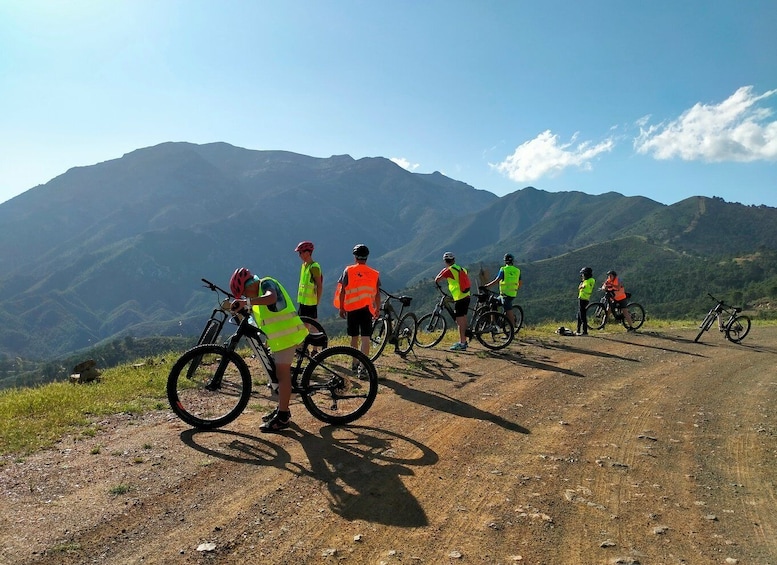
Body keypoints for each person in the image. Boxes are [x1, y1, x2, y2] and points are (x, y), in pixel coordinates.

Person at [229, 267, 308, 432]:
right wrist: (242, 307)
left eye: (244, 292)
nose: (246, 296)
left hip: (289, 336)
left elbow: (271, 298)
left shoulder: (266, 283)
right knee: (276, 374)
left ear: (250, 285)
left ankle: (284, 416)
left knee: (282, 374)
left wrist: (247, 302)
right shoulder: (256, 297)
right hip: (280, 340)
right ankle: (282, 407)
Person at [336, 244, 381, 358]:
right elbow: (377, 294)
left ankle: (354, 363)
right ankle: (363, 366)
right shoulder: (374, 273)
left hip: (352, 309)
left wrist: (341, 307)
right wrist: (377, 309)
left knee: (354, 337)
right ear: (367, 257)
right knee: (366, 338)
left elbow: (342, 291)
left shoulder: (348, 270)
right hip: (367, 309)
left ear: (355, 257)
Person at [435, 251, 471, 351]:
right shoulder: (461, 269)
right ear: (454, 260)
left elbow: (437, 280)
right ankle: (465, 340)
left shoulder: (448, 271)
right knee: (463, 317)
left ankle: (462, 343)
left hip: (459, 297)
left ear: (445, 261)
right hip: (466, 295)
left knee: (459, 321)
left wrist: (443, 270)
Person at [484, 253, 522, 326]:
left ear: (505, 261)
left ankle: (512, 329)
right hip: (512, 294)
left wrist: (487, 286)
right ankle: (494, 323)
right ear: (513, 261)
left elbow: (497, 280)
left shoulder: (503, 269)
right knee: (493, 303)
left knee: (508, 310)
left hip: (505, 295)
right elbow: (520, 283)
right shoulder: (517, 270)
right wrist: (515, 289)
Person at [294, 241, 323, 325]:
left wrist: (317, 302)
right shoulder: (304, 266)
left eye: (300, 252)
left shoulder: (314, 267)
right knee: (304, 325)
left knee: (313, 325)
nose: (299, 255)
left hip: (310, 303)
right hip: (303, 302)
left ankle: (319, 337)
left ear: (307, 253)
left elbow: (319, 286)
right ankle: (307, 338)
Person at [577, 266, 595, 335]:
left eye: (583, 274)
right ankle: (578, 330)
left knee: (582, 315)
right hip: (585, 299)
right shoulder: (591, 280)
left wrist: (581, 286)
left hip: (583, 299)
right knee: (579, 314)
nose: (582, 275)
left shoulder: (587, 281)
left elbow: (583, 287)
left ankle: (585, 331)